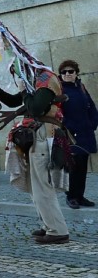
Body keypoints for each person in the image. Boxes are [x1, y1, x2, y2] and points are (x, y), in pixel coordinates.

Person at [0, 20, 70, 244]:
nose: (16, 77)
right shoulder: (34, 81)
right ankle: (47, 224)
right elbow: (16, 101)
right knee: (35, 186)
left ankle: (57, 229)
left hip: (45, 136)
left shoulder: (44, 80)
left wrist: (24, 90)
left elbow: (35, 107)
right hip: (36, 137)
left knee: (42, 186)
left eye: (17, 72)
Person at [58, 59, 98, 208]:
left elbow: (91, 107)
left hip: (86, 132)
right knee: (73, 166)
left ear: (76, 73)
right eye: (64, 72)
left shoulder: (81, 87)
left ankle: (80, 196)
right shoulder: (59, 90)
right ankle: (71, 196)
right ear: (60, 74)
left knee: (83, 166)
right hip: (71, 135)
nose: (67, 74)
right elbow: (58, 112)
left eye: (71, 71)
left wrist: (93, 123)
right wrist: (68, 127)